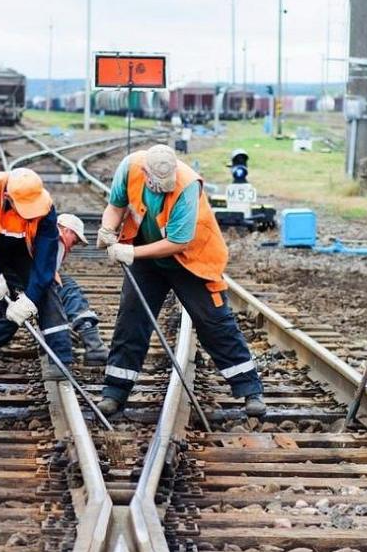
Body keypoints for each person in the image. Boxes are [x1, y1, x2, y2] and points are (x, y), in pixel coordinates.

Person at [96, 144, 264, 419]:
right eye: (158, 184)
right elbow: (115, 206)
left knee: (214, 320)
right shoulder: (129, 168)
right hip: (146, 257)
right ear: (145, 173)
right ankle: (114, 392)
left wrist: (130, 252)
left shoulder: (187, 187)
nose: (164, 188)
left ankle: (249, 389)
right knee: (131, 318)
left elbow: (177, 242)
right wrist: (107, 228)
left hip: (191, 258)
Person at [0, 167, 72, 416]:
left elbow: (46, 257)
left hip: (21, 250)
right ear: (7, 197)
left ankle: (60, 361)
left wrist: (31, 298)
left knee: (48, 293)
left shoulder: (45, 206)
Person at [0, 213, 109, 365]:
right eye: (75, 240)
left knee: (17, 309)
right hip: (14, 277)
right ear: (65, 230)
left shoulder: (42, 233)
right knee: (68, 290)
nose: (72, 247)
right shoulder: (56, 239)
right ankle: (94, 346)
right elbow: (45, 281)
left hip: (4, 275)